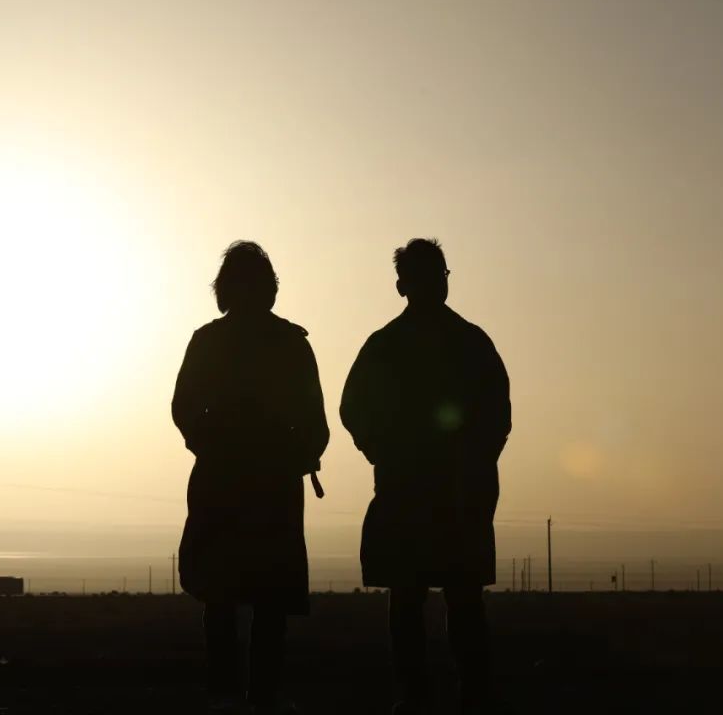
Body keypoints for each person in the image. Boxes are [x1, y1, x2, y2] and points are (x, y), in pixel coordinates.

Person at [340, 239, 511, 714]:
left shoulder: (389, 345)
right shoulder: (469, 342)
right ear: (408, 285)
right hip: (444, 492)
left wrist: (381, 451)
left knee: (420, 597)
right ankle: (463, 696)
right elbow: (498, 417)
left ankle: (426, 698)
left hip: (427, 491)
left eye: (439, 275)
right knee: (449, 597)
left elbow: (353, 409)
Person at [173, 241, 330, 714]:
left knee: (228, 597)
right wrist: (297, 454)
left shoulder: (212, 341)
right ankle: (256, 696)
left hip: (233, 482)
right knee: (262, 599)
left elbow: (183, 410)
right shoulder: (289, 343)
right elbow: (316, 423)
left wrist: (211, 446)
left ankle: (231, 695)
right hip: (264, 484)